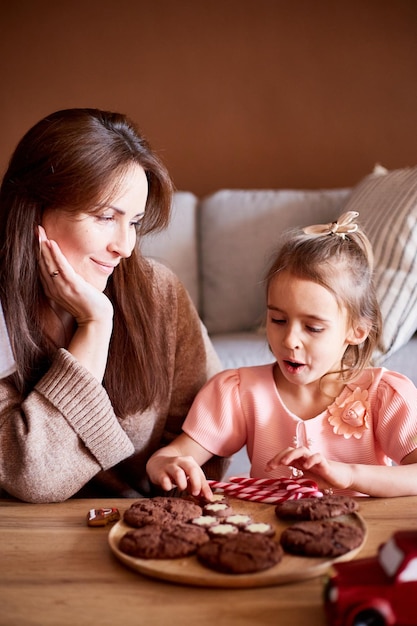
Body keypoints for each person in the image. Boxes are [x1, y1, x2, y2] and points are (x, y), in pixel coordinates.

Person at [0, 107, 226, 503]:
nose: (124, 246)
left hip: (136, 529)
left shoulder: (158, 292)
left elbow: (203, 431)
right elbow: (32, 477)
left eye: (134, 222)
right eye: (106, 216)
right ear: (35, 209)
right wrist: (95, 326)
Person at [147, 211, 417, 499]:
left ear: (357, 331)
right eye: (278, 320)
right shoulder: (238, 392)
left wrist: (348, 475)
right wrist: (167, 464)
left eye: (313, 327)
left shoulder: (386, 395)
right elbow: (173, 456)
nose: (289, 340)